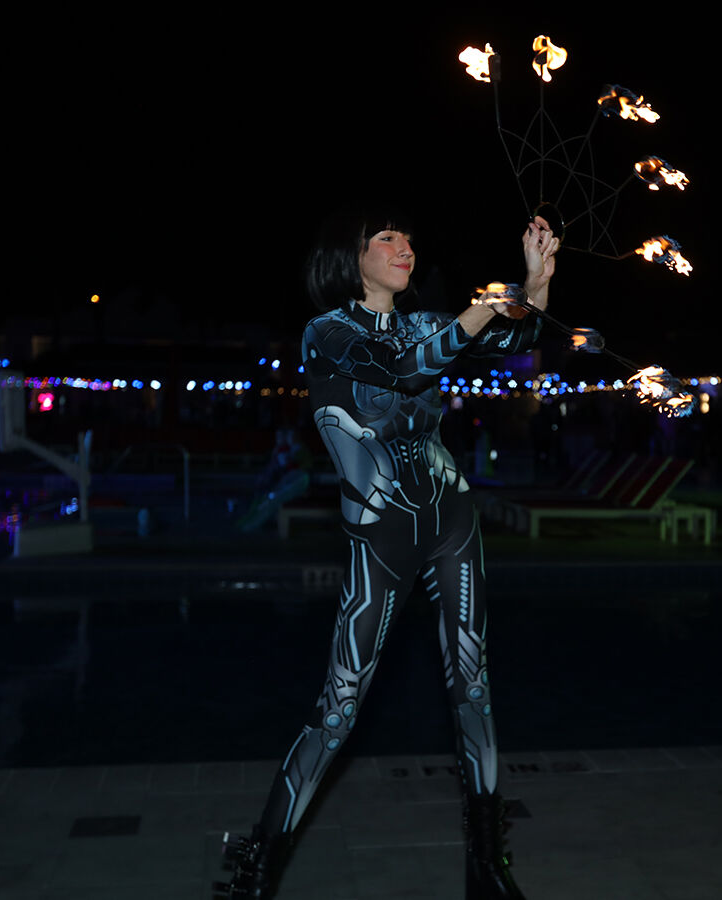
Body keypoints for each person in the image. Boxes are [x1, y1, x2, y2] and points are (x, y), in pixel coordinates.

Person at [216, 207, 558, 900]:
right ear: (351, 256)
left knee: (474, 687)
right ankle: (255, 874)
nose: (405, 249)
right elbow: (403, 372)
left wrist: (535, 282)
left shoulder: (425, 321)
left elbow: (519, 338)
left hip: (452, 515)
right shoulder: (327, 332)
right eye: (387, 239)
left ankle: (488, 867)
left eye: (409, 239)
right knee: (340, 706)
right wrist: (482, 309)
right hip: (381, 532)